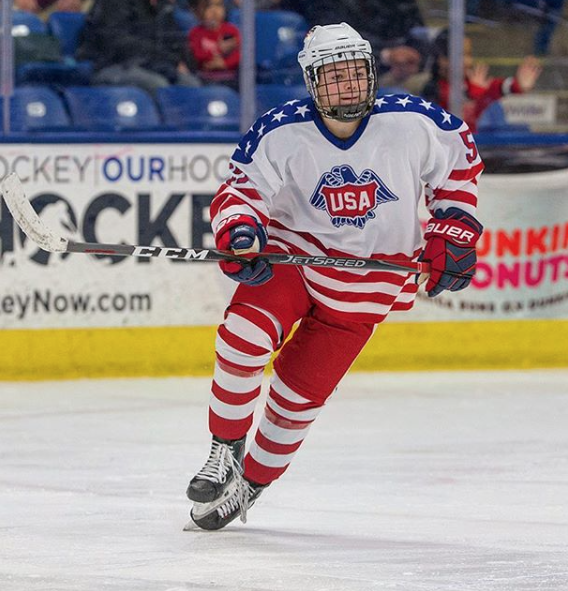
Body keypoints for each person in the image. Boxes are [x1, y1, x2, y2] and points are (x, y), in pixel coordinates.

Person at [186, 22, 484, 531]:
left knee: (296, 402)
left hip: (367, 290)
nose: (347, 87)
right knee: (243, 339)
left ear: (371, 74)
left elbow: (459, 175)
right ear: (311, 81)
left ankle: (252, 484)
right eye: (333, 77)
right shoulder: (280, 130)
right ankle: (224, 449)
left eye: (355, 75)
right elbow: (240, 194)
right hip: (295, 260)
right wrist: (240, 234)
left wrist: (454, 234)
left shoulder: (417, 122)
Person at [422, 30, 542, 133]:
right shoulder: (435, 90)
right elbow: (458, 126)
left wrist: (517, 85)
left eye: (469, 54)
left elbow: (496, 87)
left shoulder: (471, 83)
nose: (468, 62)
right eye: (461, 55)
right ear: (442, 60)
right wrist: (477, 98)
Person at [77, 0, 201, 95]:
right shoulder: (114, 3)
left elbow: (174, 43)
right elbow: (120, 43)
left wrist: (180, 62)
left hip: (152, 65)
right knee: (157, 85)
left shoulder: (164, 7)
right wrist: (169, 60)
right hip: (110, 65)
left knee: (190, 84)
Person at [188, 0, 240, 88]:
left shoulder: (231, 30)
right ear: (198, 12)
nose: (214, 11)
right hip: (205, 79)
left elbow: (239, 54)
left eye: (219, 5)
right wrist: (219, 50)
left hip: (230, 78)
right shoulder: (195, 33)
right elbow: (198, 54)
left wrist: (225, 63)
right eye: (208, 7)